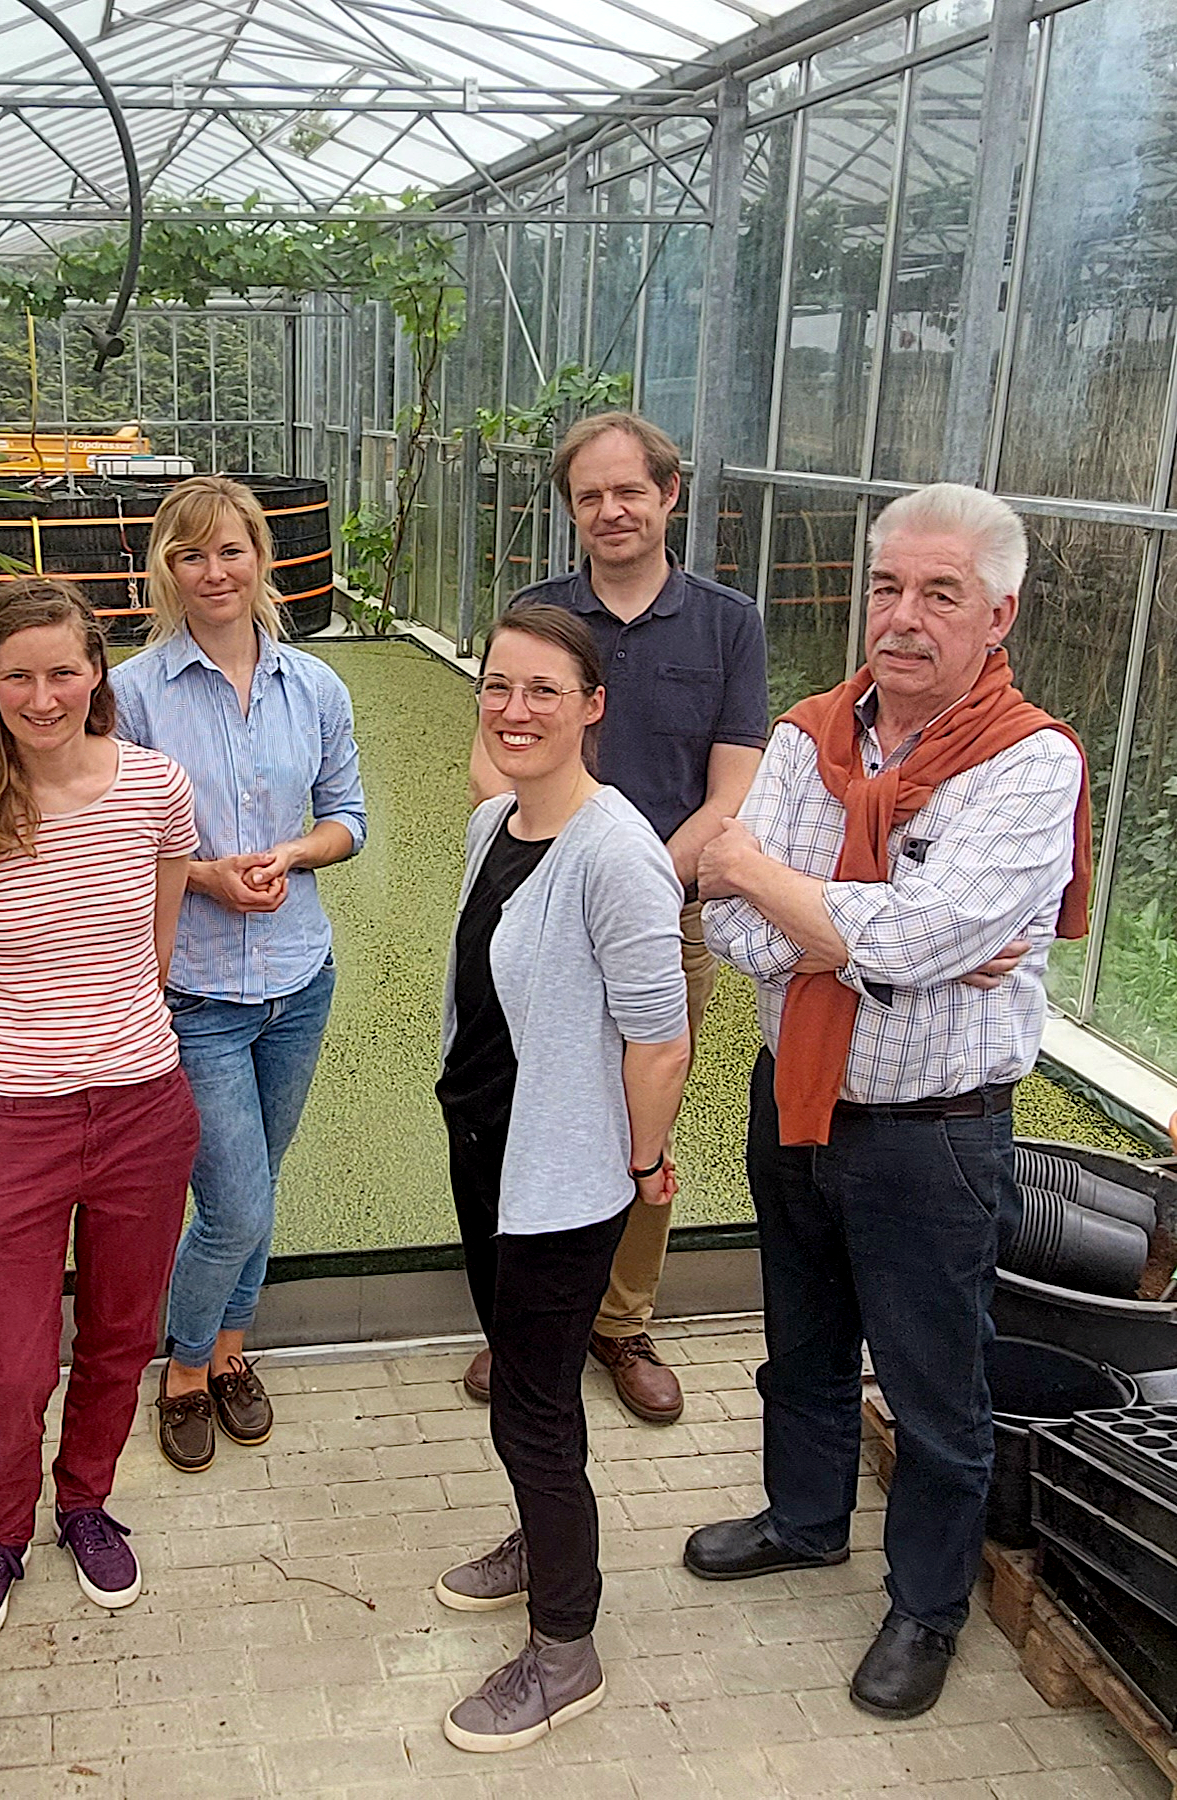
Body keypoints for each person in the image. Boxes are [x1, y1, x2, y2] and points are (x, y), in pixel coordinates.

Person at [688, 483, 1091, 1721]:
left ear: (995, 613)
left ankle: (926, 1607)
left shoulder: (1031, 764)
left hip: (934, 1136)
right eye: (885, 587)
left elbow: (900, 935)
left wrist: (773, 877)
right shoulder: (814, 733)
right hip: (796, 1103)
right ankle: (806, 1521)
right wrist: (833, 926)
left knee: (933, 1387)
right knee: (800, 1342)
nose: (902, 618)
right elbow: (727, 921)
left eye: (939, 594)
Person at [0, 578, 199, 1652]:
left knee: (122, 1334)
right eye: (17, 674)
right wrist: (49, 1032)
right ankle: (0, 1533)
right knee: (15, 1356)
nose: (41, 695)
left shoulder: (158, 789)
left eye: (61, 671)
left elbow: (158, 943)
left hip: (142, 1108)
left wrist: (105, 1025)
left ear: (95, 675)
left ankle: (84, 1504)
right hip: (14, 1119)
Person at [466, 411, 766, 1424]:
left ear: (669, 494)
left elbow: (732, 790)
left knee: (645, 1115)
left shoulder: (726, 623)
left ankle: (620, 1320)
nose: (609, 511)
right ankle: (520, 1319)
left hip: (661, 913)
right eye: (588, 496)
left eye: (628, 491)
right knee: (520, 1111)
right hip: (535, 913)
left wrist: (636, 877)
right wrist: (553, 868)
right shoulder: (536, 611)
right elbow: (489, 759)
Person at [433, 604, 691, 1753]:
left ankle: (565, 1646)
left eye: (545, 690)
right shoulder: (498, 823)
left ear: (594, 706)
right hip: (486, 1148)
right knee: (525, 1392)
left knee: (535, 1408)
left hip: (564, 1174)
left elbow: (660, 1035)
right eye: (499, 686)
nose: (515, 709)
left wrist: (641, 1165)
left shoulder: (616, 853)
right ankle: (540, 1544)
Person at [111, 476, 367, 1473]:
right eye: (190, 555)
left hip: (299, 979)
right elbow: (108, 838)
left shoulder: (317, 689)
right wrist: (203, 876)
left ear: (261, 559)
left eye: (230, 551)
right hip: (198, 993)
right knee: (237, 1203)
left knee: (259, 1181)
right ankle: (179, 1372)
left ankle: (230, 1354)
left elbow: (349, 816)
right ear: (165, 570)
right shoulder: (131, 698)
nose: (213, 572)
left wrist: (293, 856)